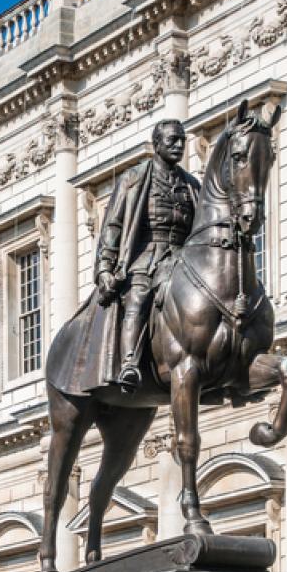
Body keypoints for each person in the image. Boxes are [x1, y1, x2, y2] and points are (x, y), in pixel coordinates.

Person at [91, 119, 199, 389]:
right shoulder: (134, 178)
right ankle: (130, 363)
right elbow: (113, 225)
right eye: (172, 140)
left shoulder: (191, 185)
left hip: (184, 257)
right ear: (156, 144)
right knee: (138, 296)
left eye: (182, 140)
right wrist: (105, 266)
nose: (179, 145)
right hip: (147, 255)